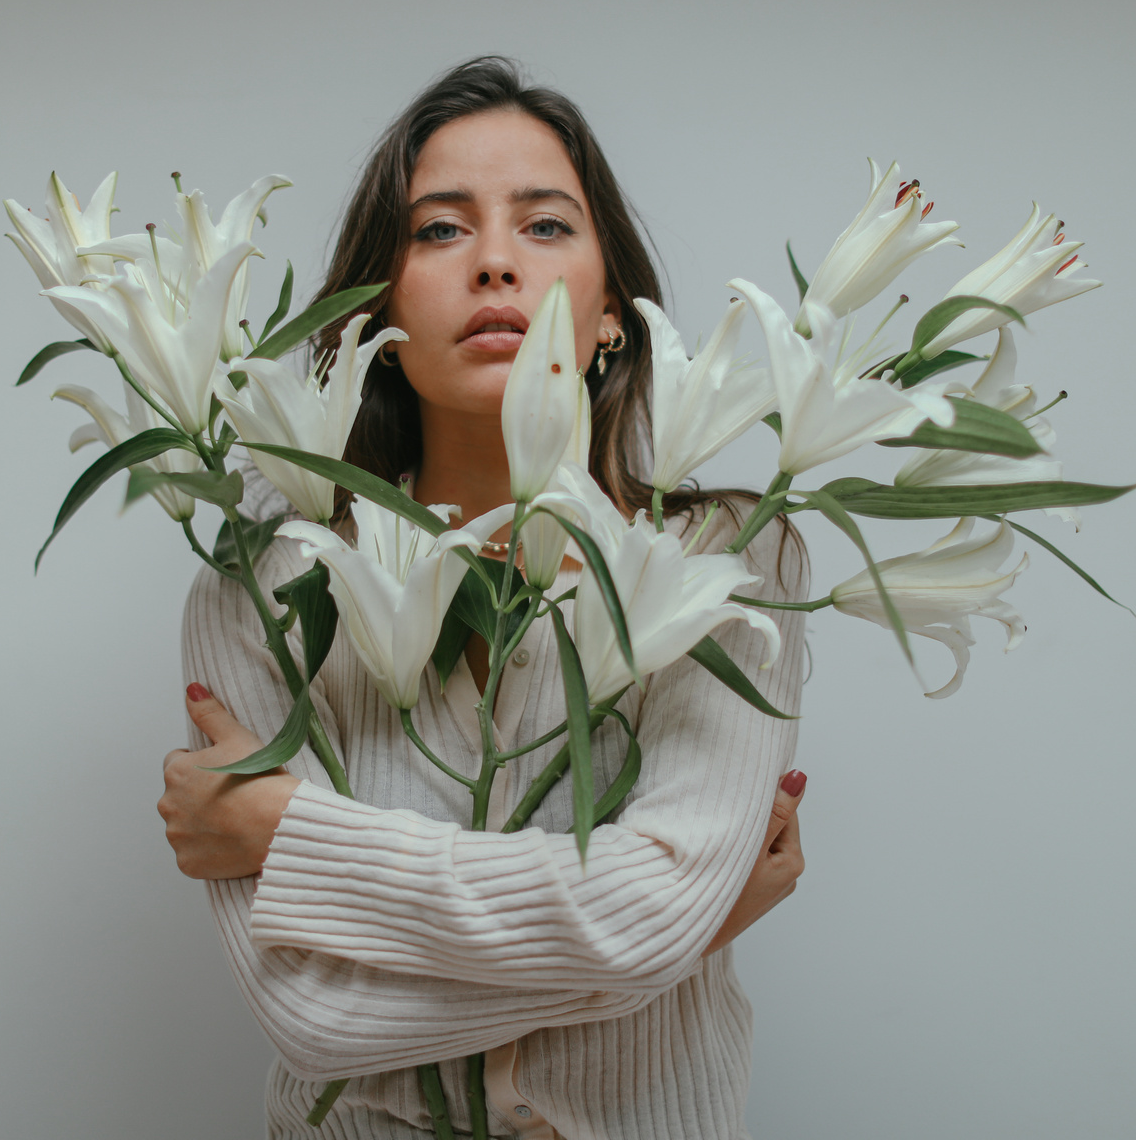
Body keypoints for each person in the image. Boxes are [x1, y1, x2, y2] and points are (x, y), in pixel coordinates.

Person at [158, 58, 809, 1139]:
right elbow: (311, 1017)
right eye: (440, 231)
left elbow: (655, 918)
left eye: (546, 226)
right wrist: (677, 933)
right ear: (379, 306)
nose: (497, 262)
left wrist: (294, 833)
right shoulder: (264, 577)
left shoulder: (725, 557)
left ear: (612, 310)